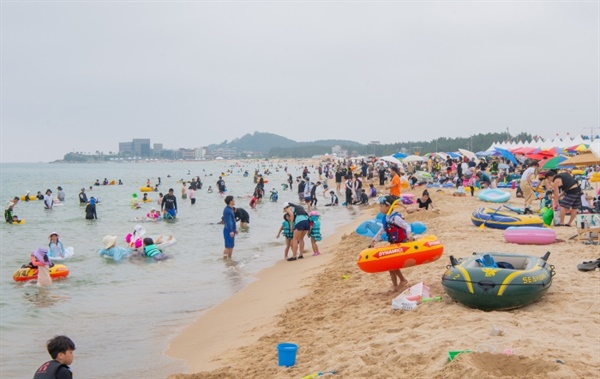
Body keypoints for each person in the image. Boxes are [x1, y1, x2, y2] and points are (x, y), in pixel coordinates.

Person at [369, 195, 413, 292]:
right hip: (393, 243)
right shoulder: (386, 218)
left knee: (392, 264)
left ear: (388, 206)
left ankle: (403, 280)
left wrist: (409, 235)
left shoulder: (395, 217)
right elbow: (382, 230)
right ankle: (395, 285)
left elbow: (407, 226)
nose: (380, 208)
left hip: (401, 243)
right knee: (390, 266)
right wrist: (373, 240)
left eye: (381, 206)